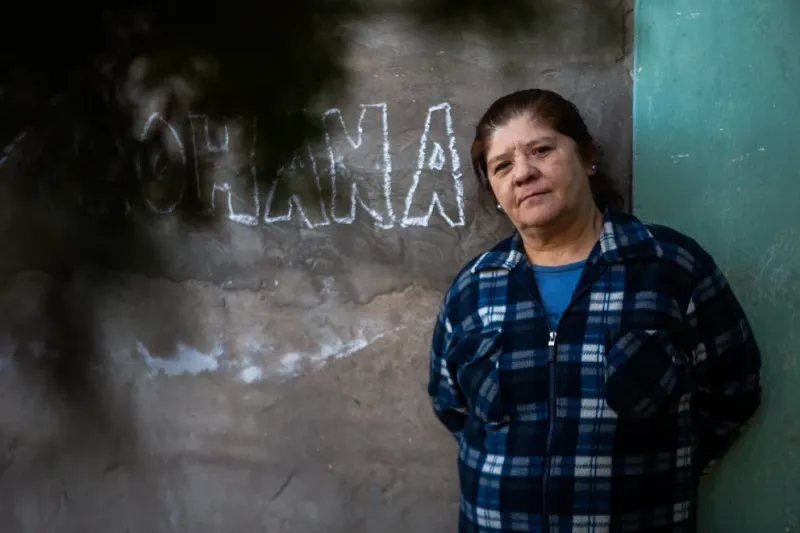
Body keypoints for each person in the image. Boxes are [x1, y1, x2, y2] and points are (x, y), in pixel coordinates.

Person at [427, 88, 762, 533]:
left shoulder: (669, 268)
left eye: (542, 150)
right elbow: (451, 404)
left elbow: (733, 389)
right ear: (493, 188)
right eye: (502, 165)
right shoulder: (473, 289)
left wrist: (659, 466)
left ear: (588, 157)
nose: (523, 173)